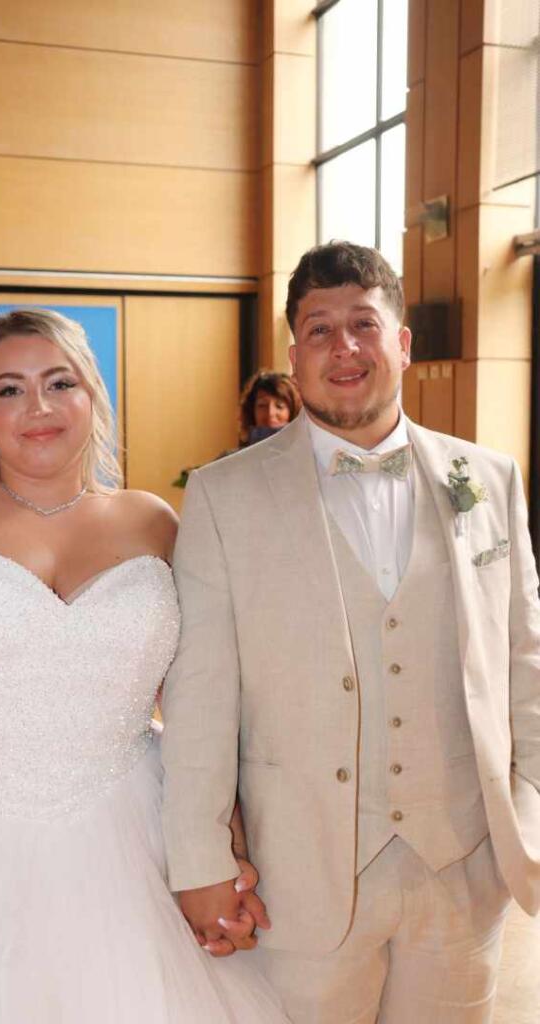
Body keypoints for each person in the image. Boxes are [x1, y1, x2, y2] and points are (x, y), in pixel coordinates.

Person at [0, 308, 290, 1022]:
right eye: (10, 389)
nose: (38, 406)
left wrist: (222, 851)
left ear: (93, 395)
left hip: (128, 849)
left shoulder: (155, 524)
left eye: (60, 383)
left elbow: (199, 709)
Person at [161, 241, 540, 1023]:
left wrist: (530, 816)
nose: (344, 347)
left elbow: (525, 661)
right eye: (320, 330)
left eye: (364, 324)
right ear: (294, 357)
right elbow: (199, 697)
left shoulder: (488, 479)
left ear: (402, 343)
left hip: (462, 868)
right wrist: (198, 858)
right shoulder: (224, 496)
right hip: (296, 878)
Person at [238, 371, 301, 447]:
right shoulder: (236, 454)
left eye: (279, 406)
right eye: (262, 405)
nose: (270, 413)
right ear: (251, 411)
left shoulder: (307, 452)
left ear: (292, 411)